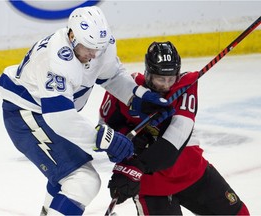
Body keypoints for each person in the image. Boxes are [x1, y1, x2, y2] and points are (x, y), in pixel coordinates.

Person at [0, 6, 169, 216]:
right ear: (71, 36)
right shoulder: (56, 59)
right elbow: (60, 119)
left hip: (47, 115)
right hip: (27, 114)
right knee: (82, 181)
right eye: (88, 48)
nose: (93, 54)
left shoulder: (98, 47)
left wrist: (139, 98)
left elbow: (112, 77)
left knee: (68, 179)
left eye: (97, 48)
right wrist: (107, 140)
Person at [99, 41, 250, 215]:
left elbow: (174, 140)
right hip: (152, 185)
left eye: (171, 79)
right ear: (148, 74)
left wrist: (137, 165)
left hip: (191, 173)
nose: (166, 85)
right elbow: (105, 130)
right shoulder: (126, 88)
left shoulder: (185, 87)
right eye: (160, 79)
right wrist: (128, 143)